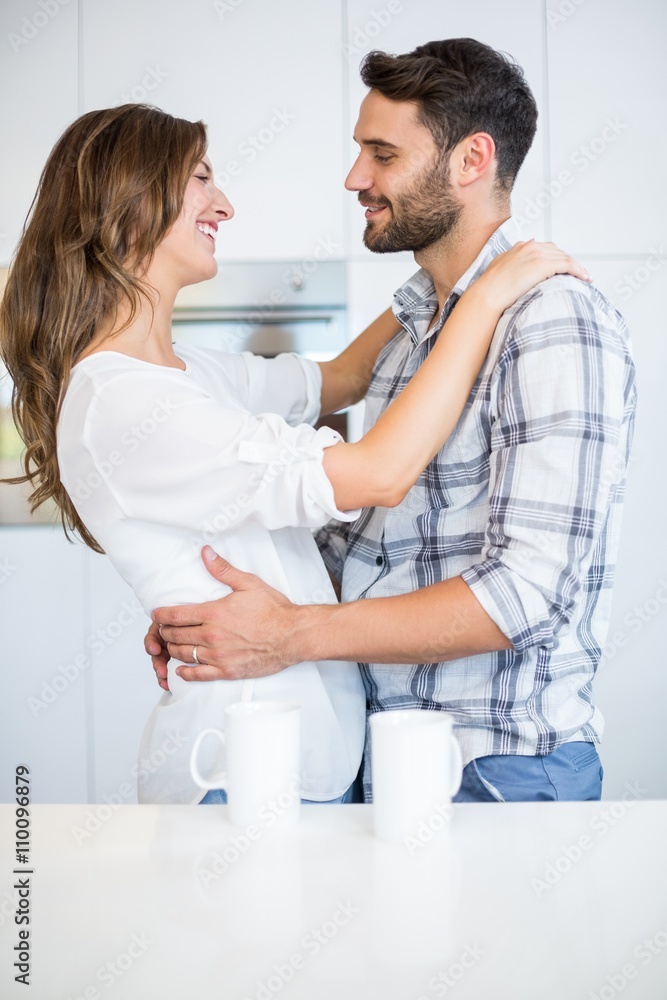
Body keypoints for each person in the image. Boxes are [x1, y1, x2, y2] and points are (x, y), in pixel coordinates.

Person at [0, 104, 585, 807]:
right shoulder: (122, 405)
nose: (224, 203)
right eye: (200, 179)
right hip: (234, 768)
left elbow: (338, 378)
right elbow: (378, 474)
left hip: (306, 764)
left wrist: (446, 286)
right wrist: (484, 297)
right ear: (129, 203)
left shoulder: (189, 372)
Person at [147, 38, 637, 804]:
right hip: (393, 756)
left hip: (497, 767)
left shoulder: (550, 319)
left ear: (471, 160)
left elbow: (523, 592)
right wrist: (209, 609)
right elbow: (373, 550)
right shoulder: (416, 332)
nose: (355, 179)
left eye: (381, 154)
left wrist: (291, 633)